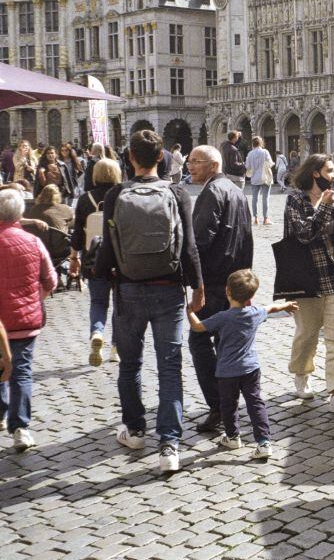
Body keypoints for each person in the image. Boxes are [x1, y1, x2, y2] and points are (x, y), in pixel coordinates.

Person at [94, 130, 204, 473]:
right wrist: (197, 286)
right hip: (168, 289)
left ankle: (136, 429)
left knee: (130, 363)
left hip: (127, 289)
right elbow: (188, 248)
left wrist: (98, 278)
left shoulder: (116, 194)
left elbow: (108, 248)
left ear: (130, 159)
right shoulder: (176, 192)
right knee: (170, 365)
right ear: (161, 158)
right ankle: (169, 445)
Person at [187, 269, 297, 459]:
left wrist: (189, 311)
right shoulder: (255, 313)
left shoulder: (222, 317)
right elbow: (270, 308)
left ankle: (232, 437)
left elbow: (198, 327)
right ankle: (263, 442)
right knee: (255, 403)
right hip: (251, 369)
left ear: (227, 291)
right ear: (252, 296)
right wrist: (285, 305)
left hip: (227, 372)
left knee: (228, 405)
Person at [187, 145, 254, 434]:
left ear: (213, 165)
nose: (190, 166)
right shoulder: (236, 190)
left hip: (215, 283)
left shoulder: (212, 192)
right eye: (189, 161)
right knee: (226, 346)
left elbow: (199, 242)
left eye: (195, 162)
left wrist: (195, 284)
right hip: (235, 282)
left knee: (200, 340)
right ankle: (228, 402)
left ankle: (219, 405)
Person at [284, 153, 334, 415]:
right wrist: (326, 209)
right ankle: (302, 373)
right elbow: (303, 234)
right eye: (329, 171)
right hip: (307, 278)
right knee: (307, 334)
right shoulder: (296, 199)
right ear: (315, 173)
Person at [0, 188, 58, 451]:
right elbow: (51, 280)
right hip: (24, 321)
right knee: (21, 372)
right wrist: (36, 298)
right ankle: (20, 427)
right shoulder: (33, 242)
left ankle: (1, 413)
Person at [70, 158, 122, 366]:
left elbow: (76, 235)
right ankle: (116, 348)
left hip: (93, 258)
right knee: (120, 305)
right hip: (120, 259)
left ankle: (97, 332)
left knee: (98, 302)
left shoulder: (85, 199)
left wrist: (74, 258)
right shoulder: (123, 196)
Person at [245, 136, 274, 226]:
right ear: (261, 143)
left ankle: (256, 219)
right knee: (265, 198)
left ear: (253, 143)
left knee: (255, 198)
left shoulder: (250, 153)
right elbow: (270, 164)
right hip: (265, 177)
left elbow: (247, 166)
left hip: (254, 178)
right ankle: (265, 219)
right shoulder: (265, 152)